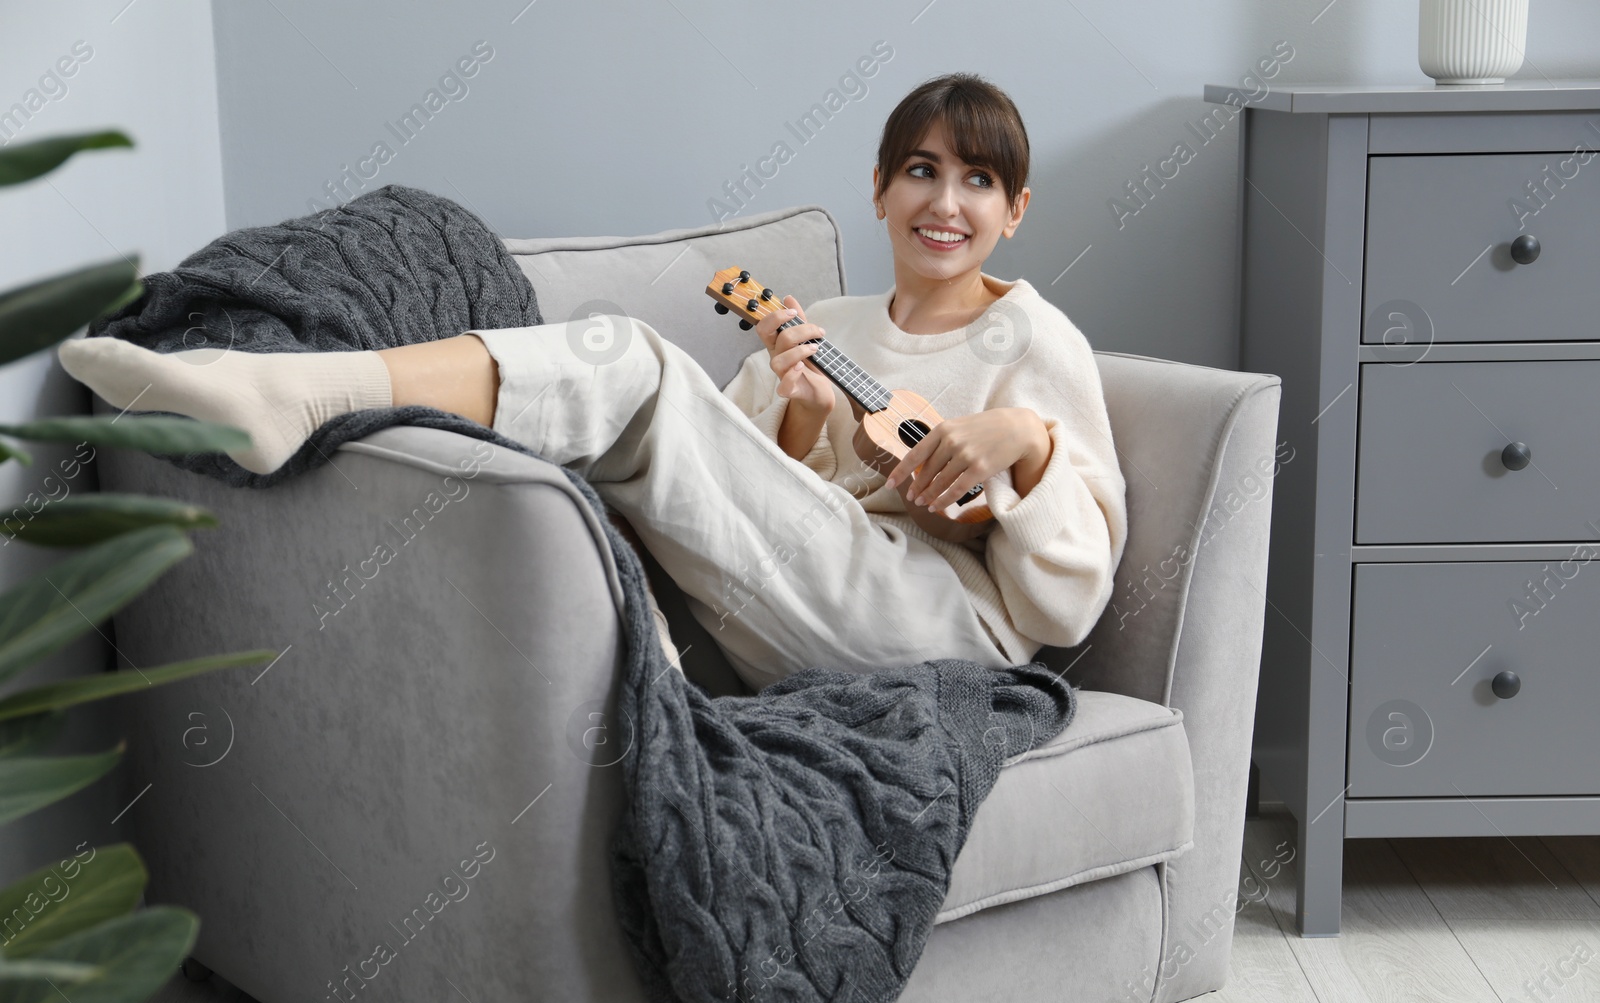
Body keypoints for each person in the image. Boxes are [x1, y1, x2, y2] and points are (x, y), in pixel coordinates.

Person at [56, 72, 1127, 693]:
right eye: (921, 171)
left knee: (640, 371)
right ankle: (636, 662)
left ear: (1014, 209)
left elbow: (1068, 603)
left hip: (938, 628)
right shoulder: (829, 327)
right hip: (802, 603)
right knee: (626, 428)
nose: (946, 201)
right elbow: (731, 501)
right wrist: (799, 412)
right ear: (883, 190)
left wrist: (1025, 445)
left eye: (977, 179)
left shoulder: (1033, 337)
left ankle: (299, 395)